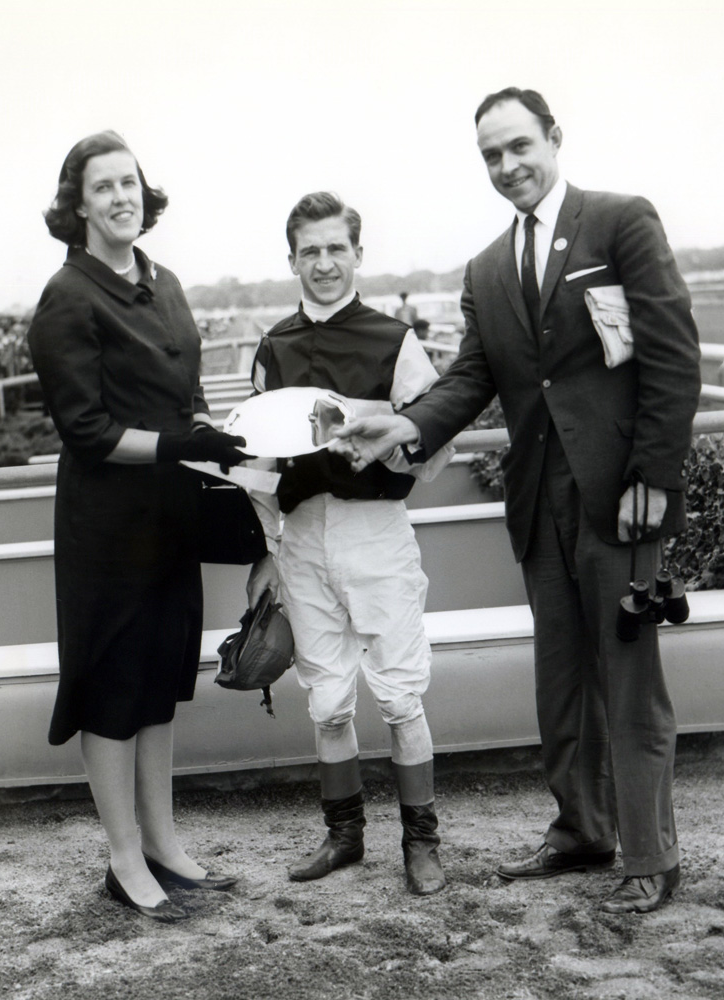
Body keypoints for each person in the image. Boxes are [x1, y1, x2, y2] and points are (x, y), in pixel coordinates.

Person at [334, 88, 701, 914]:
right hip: (540, 501)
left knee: (629, 675)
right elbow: (473, 377)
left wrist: (654, 476)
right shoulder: (488, 270)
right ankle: (582, 833)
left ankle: (650, 854)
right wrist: (402, 425)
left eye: (518, 147)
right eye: (491, 156)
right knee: (563, 678)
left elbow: (674, 358)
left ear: (554, 138)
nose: (507, 167)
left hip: (621, 498)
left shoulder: (621, 223)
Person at [26, 130, 251, 923]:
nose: (122, 197)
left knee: (159, 680)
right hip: (107, 521)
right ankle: (123, 859)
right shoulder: (68, 296)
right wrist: (180, 442)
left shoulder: (166, 282)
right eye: (103, 188)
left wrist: (213, 432)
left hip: (170, 512)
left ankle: (163, 841)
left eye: (131, 182)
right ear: (77, 206)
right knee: (113, 687)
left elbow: (182, 396)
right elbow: (86, 432)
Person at [245, 192, 452, 896]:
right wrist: (263, 540)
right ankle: (344, 835)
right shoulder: (273, 347)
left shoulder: (395, 340)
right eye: (311, 251)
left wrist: (387, 449)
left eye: (337, 249)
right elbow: (259, 465)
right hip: (303, 534)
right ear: (292, 259)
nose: (324, 263)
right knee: (328, 699)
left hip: (375, 531)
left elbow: (434, 449)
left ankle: (420, 841)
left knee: (398, 696)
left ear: (358, 254)